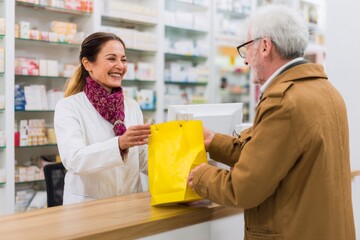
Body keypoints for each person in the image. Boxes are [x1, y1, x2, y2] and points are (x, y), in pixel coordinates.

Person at [188, 5, 355, 240]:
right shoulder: (325, 90)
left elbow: (244, 188)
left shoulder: (284, 101)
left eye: (247, 49)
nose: (246, 61)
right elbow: (273, 155)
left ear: (265, 46)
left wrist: (201, 176)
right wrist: (214, 142)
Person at [54, 32, 151, 204]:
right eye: (112, 59)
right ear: (88, 63)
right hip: (88, 208)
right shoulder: (69, 107)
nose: (120, 66)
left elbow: (141, 159)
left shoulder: (132, 106)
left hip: (130, 203)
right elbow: (74, 159)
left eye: (123, 59)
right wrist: (120, 144)